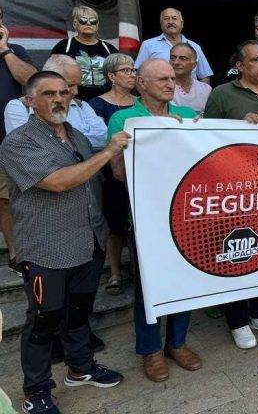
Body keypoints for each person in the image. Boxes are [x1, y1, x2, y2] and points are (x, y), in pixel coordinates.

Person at [1, 70, 129, 414]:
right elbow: (57, 182)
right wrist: (109, 152)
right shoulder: (18, 142)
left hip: (88, 241)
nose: (59, 99)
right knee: (44, 321)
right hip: (46, 249)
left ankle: (80, 367)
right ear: (29, 101)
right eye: (48, 94)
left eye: (63, 93)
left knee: (79, 312)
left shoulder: (76, 136)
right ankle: (37, 391)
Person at [108, 59, 201, 383]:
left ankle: (177, 343)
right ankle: (151, 350)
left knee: (186, 280)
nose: (170, 83)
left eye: (172, 78)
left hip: (189, 215)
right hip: (147, 219)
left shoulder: (188, 116)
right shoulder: (124, 118)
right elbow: (119, 173)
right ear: (141, 84)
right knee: (148, 287)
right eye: (161, 78)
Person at [203, 40, 258, 349]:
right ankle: (237, 320)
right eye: (254, 60)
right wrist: (237, 126)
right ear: (239, 65)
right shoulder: (222, 94)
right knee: (237, 254)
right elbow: (205, 137)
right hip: (236, 190)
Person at [87, 54, 137, 296]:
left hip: (140, 174)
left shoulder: (141, 102)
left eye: (133, 70)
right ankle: (115, 273)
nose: (132, 74)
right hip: (112, 173)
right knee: (116, 225)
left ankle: (137, 270)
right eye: (126, 70)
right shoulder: (97, 105)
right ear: (111, 77)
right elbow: (97, 141)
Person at [0, 3, 37, 275]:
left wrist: (5, 50)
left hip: (9, 142)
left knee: (13, 198)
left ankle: (23, 250)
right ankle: (15, 250)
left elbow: (30, 81)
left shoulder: (16, 52)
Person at [5, 55, 108, 151]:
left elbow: (103, 140)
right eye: (70, 85)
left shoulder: (82, 105)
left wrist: (55, 139)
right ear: (48, 78)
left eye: (78, 85)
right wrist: (82, 138)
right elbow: (26, 145)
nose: (76, 92)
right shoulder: (20, 107)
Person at [50, 5, 118, 101]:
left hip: (105, 102)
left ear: (97, 25)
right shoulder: (64, 46)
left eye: (93, 21)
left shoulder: (109, 49)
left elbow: (119, 77)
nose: (89, 23)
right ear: (75, 24)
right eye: (83, 20)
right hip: (74, 101)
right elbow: (51, 75)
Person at [134, 8, 213, 83]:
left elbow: (204, 76)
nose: (170, 21)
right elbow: (138, 73)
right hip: (158, 95)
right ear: (161, 24)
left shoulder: (195, 47)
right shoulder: (148, 45)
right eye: (166, 18)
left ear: (182, 24)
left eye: (174, 18)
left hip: (190, 95)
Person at [170, 43, 211, 112]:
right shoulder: (162, 87)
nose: (176, 62)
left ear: (194, 65)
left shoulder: (206, 89)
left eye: (183, 59)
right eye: (172, 58)